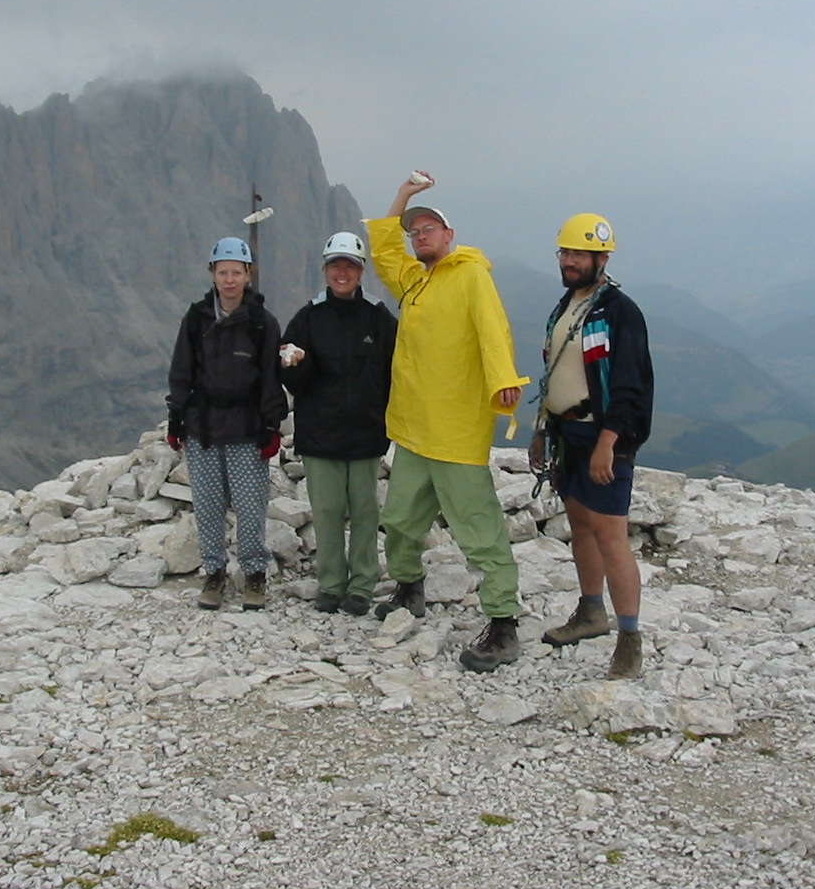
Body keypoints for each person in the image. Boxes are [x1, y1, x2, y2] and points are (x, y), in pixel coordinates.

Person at [365, 172, 529, 672]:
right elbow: (385, 253)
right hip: (415, 428)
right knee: (400, 519)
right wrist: (403, 196)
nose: (420, 236)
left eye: (429, 229)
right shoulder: (415, 281)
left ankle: (503, 623)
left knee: (478, 529)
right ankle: (408, 588)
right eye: (415, 232)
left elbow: (492, 327)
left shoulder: (470, 274)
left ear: (449, 235)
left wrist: (503, 378)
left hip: (455, 430)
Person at [531, 213, 655, 678]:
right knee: (581, 525)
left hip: (603, 438)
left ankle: (630, 640)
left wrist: (609, 441)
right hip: (568, 435)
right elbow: (554, 372)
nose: (569, 261)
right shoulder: (568, 305)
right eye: (565, 252)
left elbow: (630, 385)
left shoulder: (620, 312)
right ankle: (590, 612)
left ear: (602, 259)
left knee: (610, 536)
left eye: (579, 254)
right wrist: (542, 429)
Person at [166, 236, 288, 611]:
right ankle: (214, 573)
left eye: (237, 272)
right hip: (203, 427)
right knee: (207, 506)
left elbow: (271, 378)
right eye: (223, 273)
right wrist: (176, 418)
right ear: (212, 275)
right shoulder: (196, 319)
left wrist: (271, 426)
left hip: (247, 429)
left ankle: (254, 574)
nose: (230, 280)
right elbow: (182, 370)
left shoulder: (262, 323)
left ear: (248, 275)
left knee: (250, 507)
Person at [279, 232, 398, 617]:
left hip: (366, 434)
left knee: (364, 511)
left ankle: (362, 585)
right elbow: (291, 377)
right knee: (327, 511)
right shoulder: (308, 317)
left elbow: (398, 370)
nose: (342, 272)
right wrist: (294, 365)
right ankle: (330, 584)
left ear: (361, 271)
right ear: (325, 270)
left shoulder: (378, 317)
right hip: (320, 435)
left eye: (350, 265)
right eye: (335, 265)